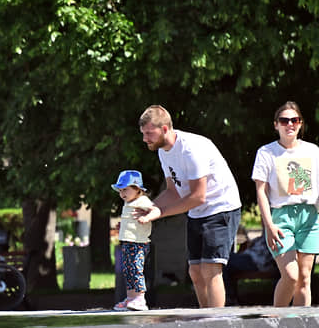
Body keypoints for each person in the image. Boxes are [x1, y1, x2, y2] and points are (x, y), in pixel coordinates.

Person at [136, 105, 241, 308]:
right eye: (143, 134)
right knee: (195, 271)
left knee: (211, 269)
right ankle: (205, 317)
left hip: (220, 207)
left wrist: (159, 213)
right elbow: (173, 192)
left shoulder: (191, 149)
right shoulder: (163, 152)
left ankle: (216, 323)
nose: (145, 139)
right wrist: (150, 206)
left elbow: (197, 197)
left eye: (149, 133)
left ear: (165, 129)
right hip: (198, 212)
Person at [251, 101, 319, 306]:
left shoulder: (313, 150)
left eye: (295, 120)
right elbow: (261, 192)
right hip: (281, 217)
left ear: (300, 124)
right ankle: (277, 322)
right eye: (284, 120)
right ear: (276, 125)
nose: (290, 124)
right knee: (291, 275)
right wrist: (269, 225)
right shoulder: (266, 152)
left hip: (309, 215)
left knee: (304, 279)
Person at [111, 170, 155, 311]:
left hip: (138, 243)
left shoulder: (142, 201)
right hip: (127, 242)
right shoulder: (128, 203)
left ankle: (140, 299)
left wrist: (147, 218)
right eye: (120, 190)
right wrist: (122, 226)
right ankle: (131, 298)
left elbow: (155, 210)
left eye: (125, 189)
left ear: (137, 189)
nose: (122, 193)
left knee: (136, 269)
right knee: (128, 271)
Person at [222, 229, 278, 305]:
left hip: (258, 260)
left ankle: (230, 300)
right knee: (224, 260)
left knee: (224, 263)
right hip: (252, 256)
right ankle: (229, 298)